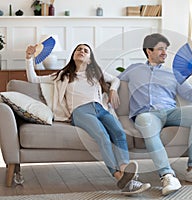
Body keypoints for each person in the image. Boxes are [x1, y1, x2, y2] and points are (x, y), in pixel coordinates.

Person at [25, 43, 151, 195]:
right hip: (80, 111)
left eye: (86, 51)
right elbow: (33, 79)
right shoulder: (63, 75)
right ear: (73, 55)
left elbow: (116, 80)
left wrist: (112, 90)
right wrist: (29, 58)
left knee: (119, 133)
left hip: (100, 109)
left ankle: (125, 170)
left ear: (90, 59)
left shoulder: (96, 73)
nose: (82, 52)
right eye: (79, 49)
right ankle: (118, 176)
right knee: (102, 136)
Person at [118, 33, 192, 196]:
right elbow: (111, 81)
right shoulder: (133, 70)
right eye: (160, 49)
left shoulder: (172, 74)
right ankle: (167, 175)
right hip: (146, 114)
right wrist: (112, 89)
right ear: (149, 51)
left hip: (170, 112)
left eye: (166, 49)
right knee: (147, 124)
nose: (165, 53)